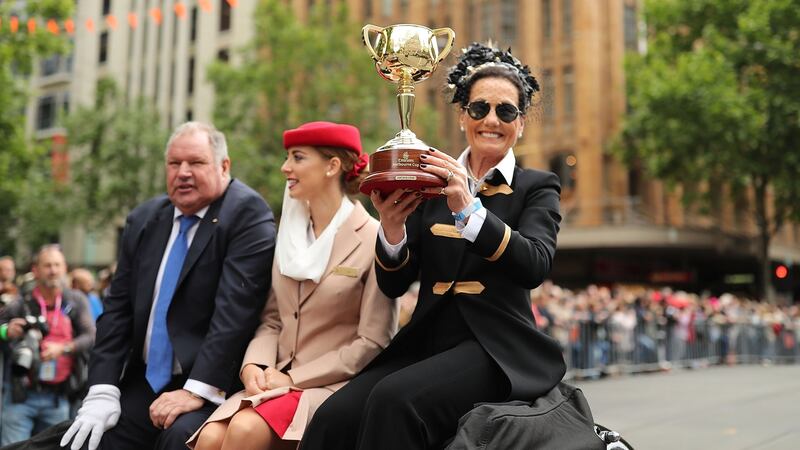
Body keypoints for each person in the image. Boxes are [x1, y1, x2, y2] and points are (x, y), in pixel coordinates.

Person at [300, 43, 567, 449]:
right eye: (479, 109)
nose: (491, 120)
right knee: (333, 416)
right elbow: (393, 285)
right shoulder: (429, 179)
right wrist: (390, 229)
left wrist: (469, 210)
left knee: (396, 401)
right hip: (425, 340)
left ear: (521, 123)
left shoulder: (537, 186)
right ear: (463, 117)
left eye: (506, 111)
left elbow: (535, 264)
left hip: (495, 349)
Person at [59, 121, 277, 450]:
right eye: (174, 164)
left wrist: (196, 389)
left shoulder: (247, 213)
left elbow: (234, 313)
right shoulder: (145, 218)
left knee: (179, 439)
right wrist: (102, 389)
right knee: (84, 439)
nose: (183, 172)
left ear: (224, 166)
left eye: (196, 162)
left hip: (211, 383)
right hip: (145, 380)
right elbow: (117, 310)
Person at [189, 121, 397, 450]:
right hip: (274, 380)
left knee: (244, 431)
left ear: (332, 166)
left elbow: (373, 341)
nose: (285, 168)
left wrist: (293, 379)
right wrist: (253, 366)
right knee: (210, 437)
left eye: (297, 158)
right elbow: (273, 319)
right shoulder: (289, 235)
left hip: (331, 385)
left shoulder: (373, 238)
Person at [0, 245, 95, 445]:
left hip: (58, 398)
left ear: (65, 268)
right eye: (47, 265)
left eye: (57, 265)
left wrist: (64, 348)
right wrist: (7, 331)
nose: (53, 270)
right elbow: (1, 328)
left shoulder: (75, 300)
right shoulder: (20, 302)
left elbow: (91, 336)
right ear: (35, 270)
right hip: (20, 396)